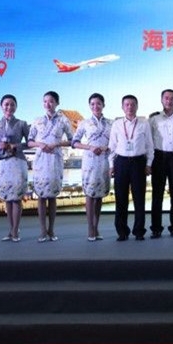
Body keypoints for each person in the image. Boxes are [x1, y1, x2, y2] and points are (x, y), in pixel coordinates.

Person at [27, 91, 73, 242]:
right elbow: (29, 141)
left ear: (57, 103)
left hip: (55, 160)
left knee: (52, 196)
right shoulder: (37, 120)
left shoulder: (63, 120)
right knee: (41, 195)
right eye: (45, 101)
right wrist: (39, 144)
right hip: (40, 160)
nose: (48, 104)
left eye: (51, 101)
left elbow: (72, 141)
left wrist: (57, 143)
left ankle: (51, 230)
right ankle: (42, 231)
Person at [108, 95, 154, 241]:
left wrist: (149, 164)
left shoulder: (144, 123)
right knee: (121, 198)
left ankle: (139, 231)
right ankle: (122, 231)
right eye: (127, 104)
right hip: (121, 162)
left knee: (139, 198)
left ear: (137, 106)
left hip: (138, 162)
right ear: (122, 107)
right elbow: (112, 146)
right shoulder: (117, 124)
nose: (130, 107)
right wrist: (111, 165)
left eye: (133, 104)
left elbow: (149, 145)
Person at [0, 94, 30, 242]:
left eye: (12, 104)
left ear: (16, 107)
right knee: (7, 198)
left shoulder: (22, 124)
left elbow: (30, 143)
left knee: (16, 198)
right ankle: (11, 231)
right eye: (6, 104)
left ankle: (15, 231)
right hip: (1, 164)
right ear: (1, 106)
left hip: (17, 162)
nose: (9, 107)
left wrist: (15, 146)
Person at [71, 93, 112, 242]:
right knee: (90, 194)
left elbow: (115, 142)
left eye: (98, 103)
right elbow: (74, 142)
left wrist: (107, 148)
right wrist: (90, 147)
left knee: (99, 195)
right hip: (90, 161)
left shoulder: (111, 123)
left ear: (103, 105)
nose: (96, 106)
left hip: (105, 160)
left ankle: (96, 226)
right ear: (89, 106)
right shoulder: (84, 123)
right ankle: (90, 228)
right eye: (93, 104)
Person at [148, 89, 173, 239]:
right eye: (166, 98)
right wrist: (148, 162)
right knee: (157, 195)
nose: (169, 101)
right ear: (161, 100)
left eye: (172, 98)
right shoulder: (154, 119)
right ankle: (156, 228)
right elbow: (148, 142)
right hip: (158, 157)